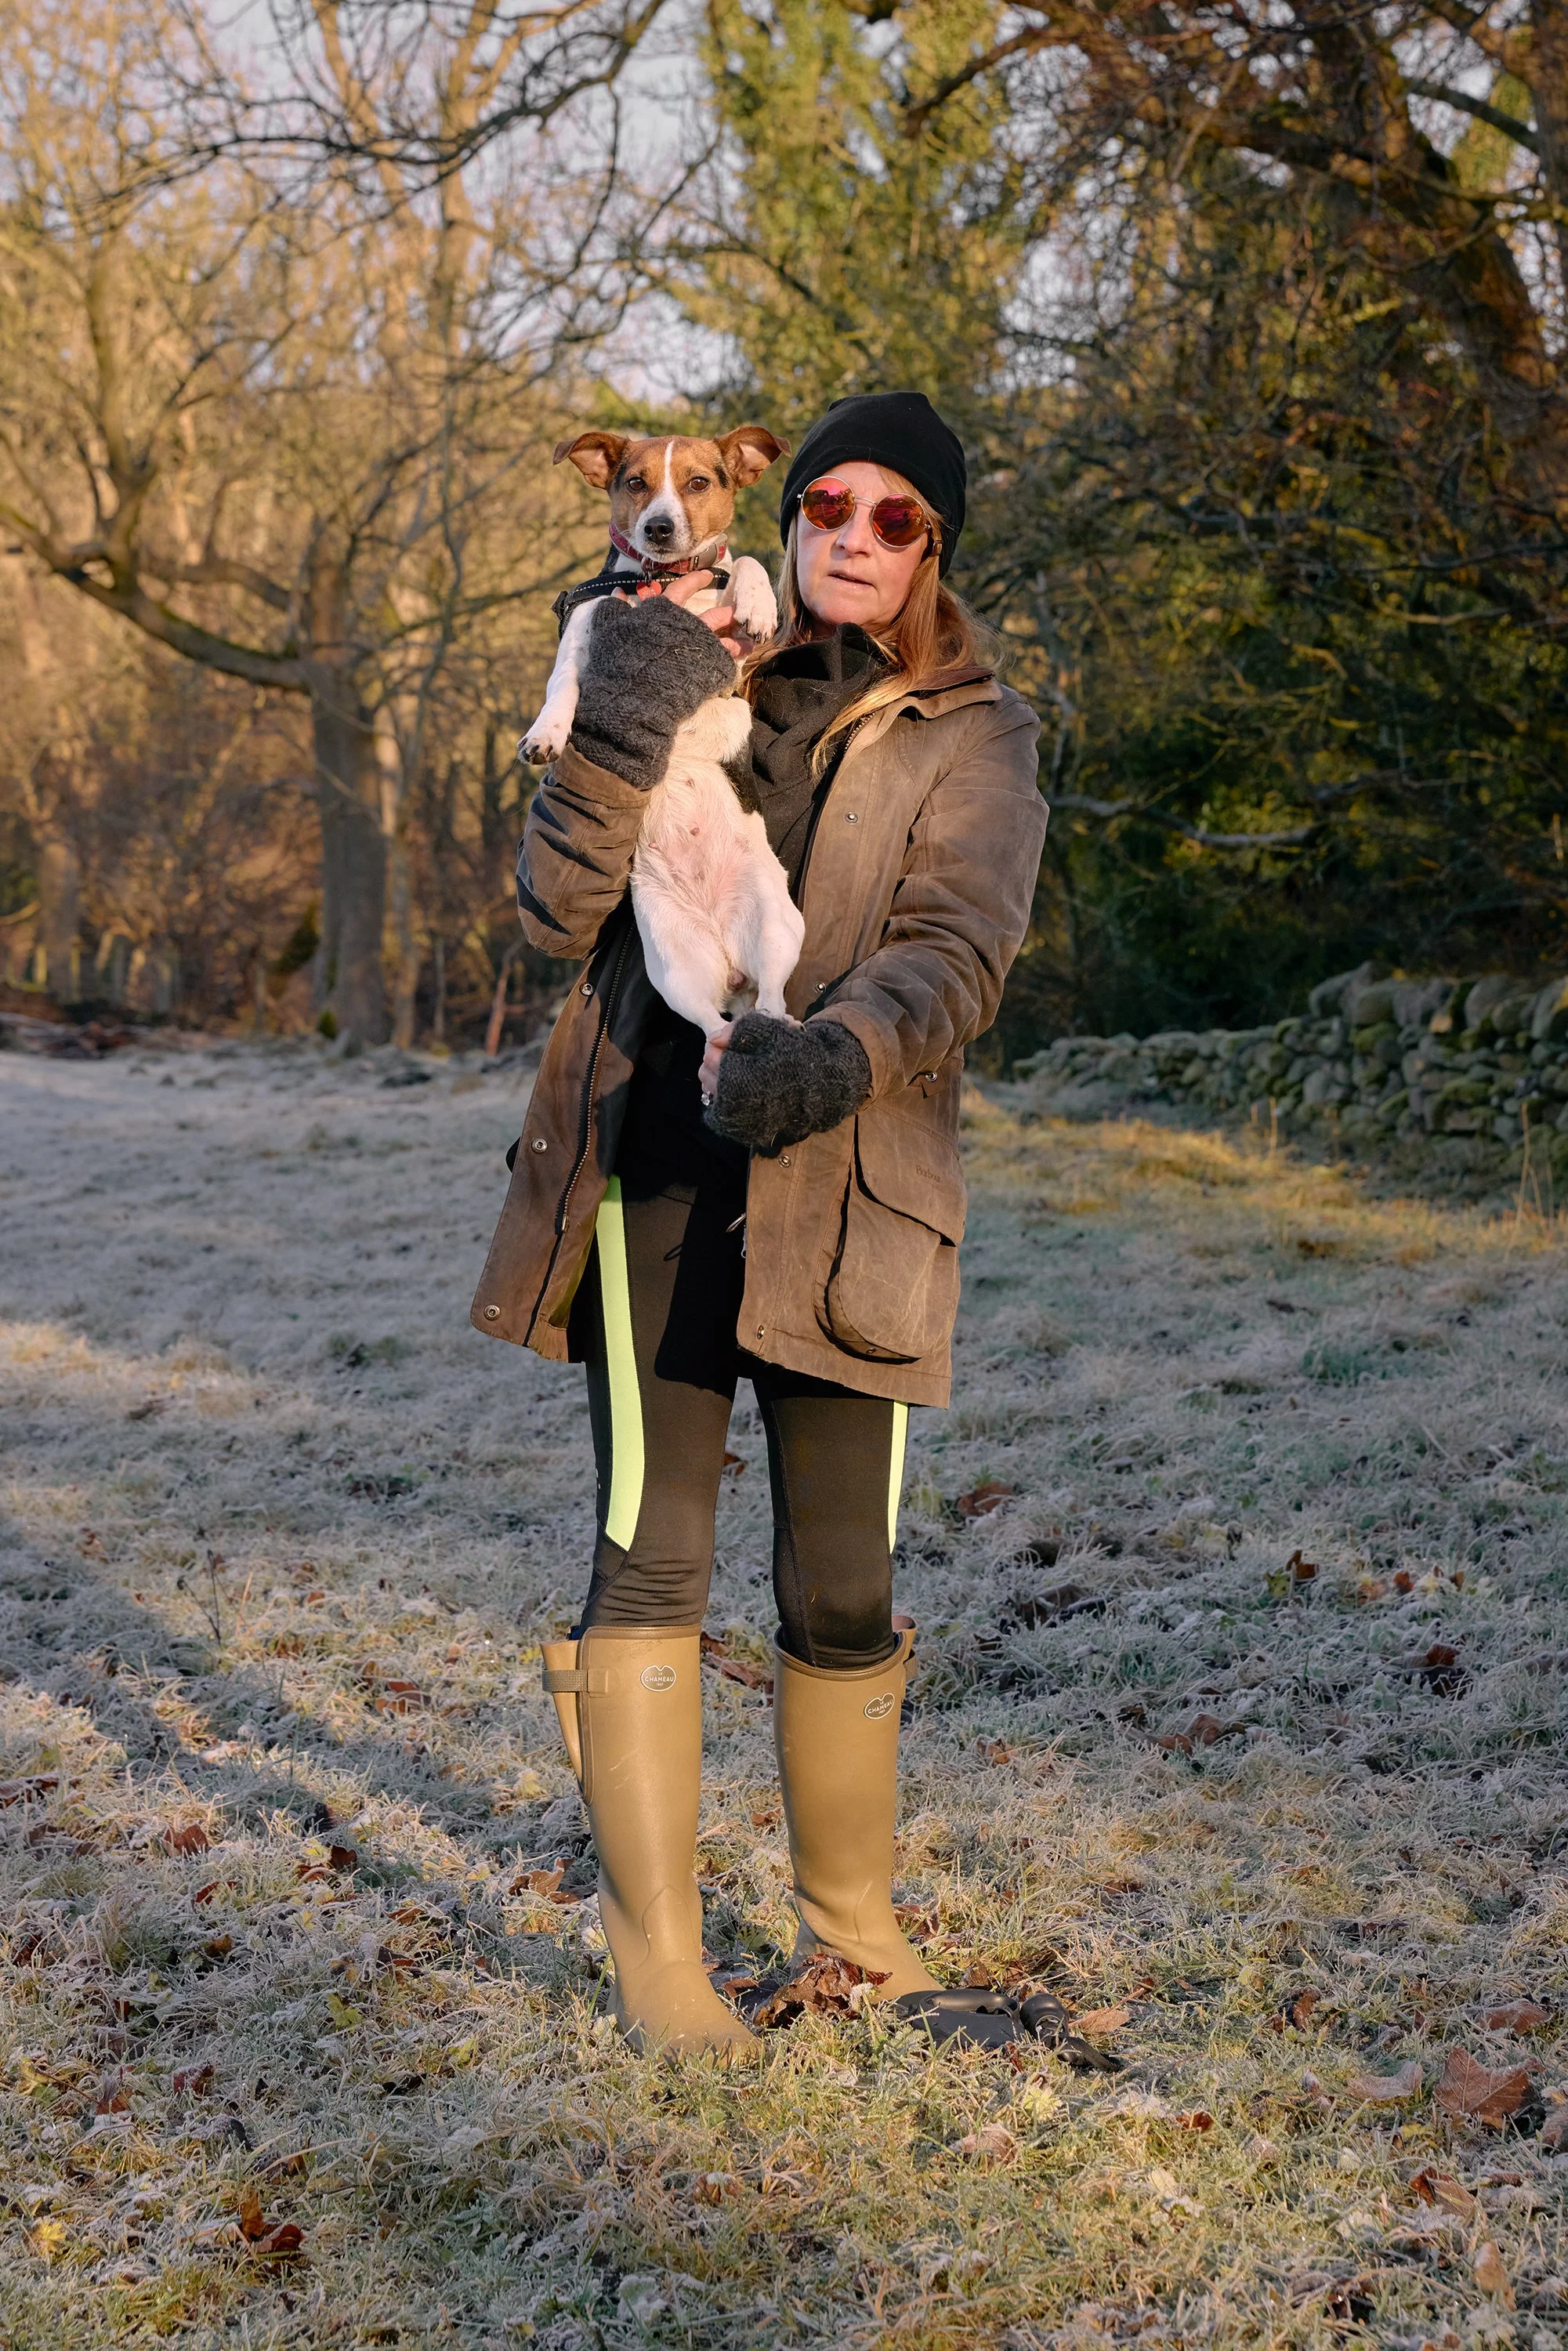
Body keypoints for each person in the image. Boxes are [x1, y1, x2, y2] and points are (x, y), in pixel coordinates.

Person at [473, 390, 1049, 2053]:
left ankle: (852, 1933)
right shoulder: (682, 646)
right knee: (649, 1565)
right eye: (830, 506)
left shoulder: (979, 729)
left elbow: (959, 953)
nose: (853, 537)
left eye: (895, 520)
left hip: (849, 1181)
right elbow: (553, 909)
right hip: (649, 1168)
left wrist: (834, 1052)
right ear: (780, 518)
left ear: (933, 547)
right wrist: (615, 730)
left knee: (842, 1587)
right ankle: (661, 1969)